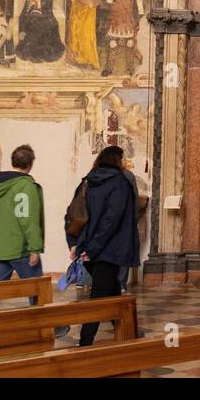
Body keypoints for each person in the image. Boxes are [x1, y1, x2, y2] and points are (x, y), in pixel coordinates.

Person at [69, 145, 139, 346]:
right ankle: (85, 341)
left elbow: (73, 213)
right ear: (117, 160)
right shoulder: (120, 183)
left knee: (112, 290)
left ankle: (128, 332)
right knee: (99, 297)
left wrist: (75, 244)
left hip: (90, 246)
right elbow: (112, 220)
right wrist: (93, 249)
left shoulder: (87, 181)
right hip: (108, 249)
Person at [0, 144, 48, 312]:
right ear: (31, 163)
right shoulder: (26, 186)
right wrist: (35, 248)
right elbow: (28, 219)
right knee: (37, 289)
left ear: (13, 161)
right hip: (20, 248)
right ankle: (48, 325)